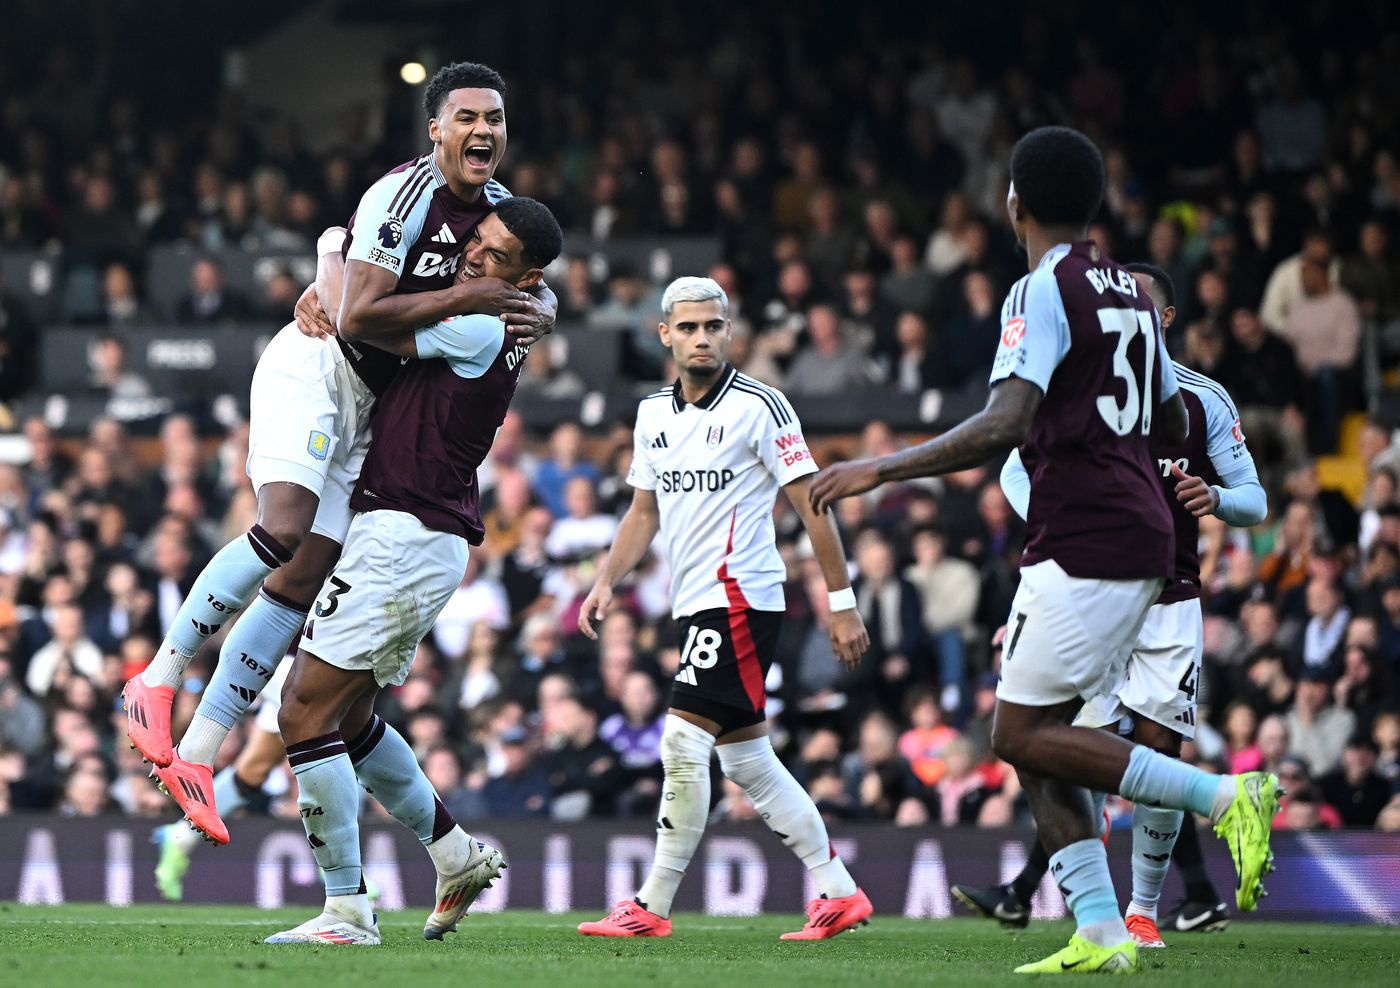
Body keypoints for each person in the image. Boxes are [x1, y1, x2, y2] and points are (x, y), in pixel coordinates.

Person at [809, 127, 1279, 975]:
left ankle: (1226, 797)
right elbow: (1174, 420)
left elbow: (1006, 421)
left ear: (1012, 201)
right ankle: (1101, 932)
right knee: (1034, 732)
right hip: (1136, 531)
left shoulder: (1042, 287)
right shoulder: (1134, 293)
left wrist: (880, 468)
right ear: (1095, 204)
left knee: (1021, 732)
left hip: (1086, 531)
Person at [124, 62, 555, 836]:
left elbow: (526, 274)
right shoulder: (401, 195)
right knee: (283, 526)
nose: (482, 130)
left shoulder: (495, 216)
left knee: (301, 577)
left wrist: (537, 301)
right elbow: (354, 315)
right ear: (435, 128)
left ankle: (197, 750)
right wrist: (462, 292)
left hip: (365, 405)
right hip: (317, 369)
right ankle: (155, 681)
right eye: (466, 117)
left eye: (493, 117)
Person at [266, 196, 564, 946]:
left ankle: (347, 911)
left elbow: (358, 315)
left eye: (496, 258)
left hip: (406, 530)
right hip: (419, 530)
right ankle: (456, 856)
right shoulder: (500, 311)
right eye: (478, 245)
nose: (474, 259)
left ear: (525, 280)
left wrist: (333, 248)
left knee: (303, 711)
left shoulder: (479, 322)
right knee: (352, 717)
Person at [951, 263, 1267, 947]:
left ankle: (1140, 911)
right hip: (1087, 584)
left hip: (1169, 593)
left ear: (1168, 321)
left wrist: (1216, 500)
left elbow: (1255, 498)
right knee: (1066, 744)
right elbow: (1013, 464)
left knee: (1155, 743)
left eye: (1144, 307)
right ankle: (1095, 907)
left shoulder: (1201, 400)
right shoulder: (1075, 388)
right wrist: (1057, 521)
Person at [575, 276, 873, 941]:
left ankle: (650, 905)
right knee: (746, 762)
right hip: (697, 600)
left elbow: (811, 504)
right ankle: (839, 892)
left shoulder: (761, 407)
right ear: (665, 334)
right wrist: (605, 581)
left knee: (682, 739)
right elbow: (642, 512)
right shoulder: (652, 412)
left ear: (729, 331)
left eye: (712, 326)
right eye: (687, 327)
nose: (701, 338)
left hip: (740, 594)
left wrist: (842, 601)